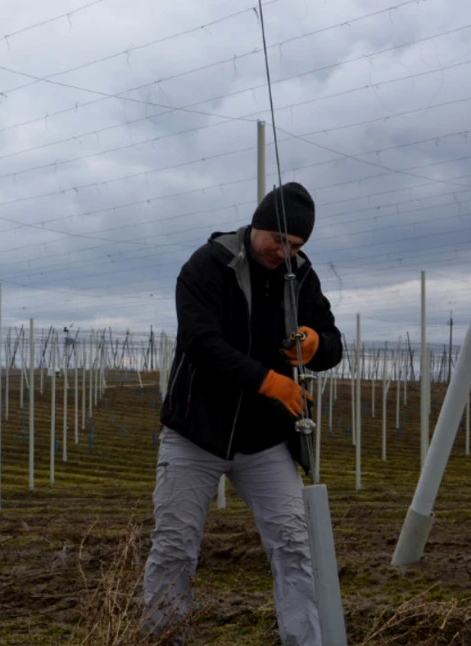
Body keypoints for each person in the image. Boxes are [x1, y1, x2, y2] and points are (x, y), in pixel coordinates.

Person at [143, 182, 343, 646]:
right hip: (195, 432)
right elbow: (201, 343)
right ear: (258, 225)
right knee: (174, 548)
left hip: (265, 440)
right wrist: (267, 381)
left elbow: (332, 343)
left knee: (296, 547)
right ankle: (162, 639)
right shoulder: (207, 266)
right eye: (279, 240)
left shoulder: (301, 276)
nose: (285, 252)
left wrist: (316, 344)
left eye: (296, 246)